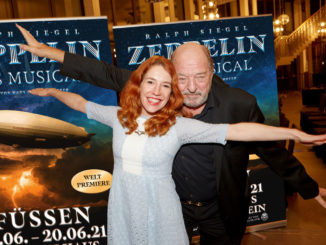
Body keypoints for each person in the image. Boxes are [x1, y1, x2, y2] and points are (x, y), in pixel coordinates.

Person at [17, 24, 326, 245]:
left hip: (222, 208)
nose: (191, 87)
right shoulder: (157, 91)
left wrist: (309, 185)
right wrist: (46, 52)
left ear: (212, 71)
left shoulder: (239, 104)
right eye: (181, 78)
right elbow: (104, 73)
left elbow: (269, 147)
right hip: (171, 205)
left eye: (200, 77)